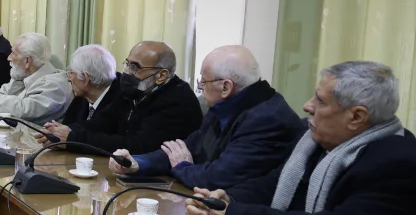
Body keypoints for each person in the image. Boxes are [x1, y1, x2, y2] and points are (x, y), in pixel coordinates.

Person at [186, 61, 416, 215]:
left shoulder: (398, 162)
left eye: (320, 101)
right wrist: (224, 200)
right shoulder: (315, 141)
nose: (308, 106)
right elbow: (272, 183)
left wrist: (233, 214)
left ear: (356, 117)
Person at [110, 45, 304, 188]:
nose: (200, 88)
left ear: (226, 87)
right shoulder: (225, 106)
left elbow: (217, 178)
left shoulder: (266, 120)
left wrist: (183, 167)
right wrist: (137, 163)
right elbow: (186, 148)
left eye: (203, 82)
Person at [42, 40, 202, 153]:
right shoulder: (137, 90)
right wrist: (63, 131)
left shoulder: (177, 101)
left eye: (135, 67)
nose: (126, 72)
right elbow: (104, 122)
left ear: (161, 76)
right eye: (127, 64)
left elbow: (137, 145)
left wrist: (73, 138)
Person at [0, 32, 71, 126]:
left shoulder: (55, 85)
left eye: (13, 53)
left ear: (27, 61)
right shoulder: (25, 75)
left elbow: (25, 109)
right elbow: (2, 93)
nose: (9, 58)